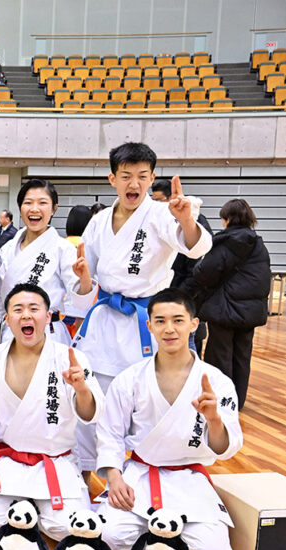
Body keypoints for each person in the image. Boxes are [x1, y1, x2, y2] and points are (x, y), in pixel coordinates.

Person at [70, 142, 212, 473]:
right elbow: (86, 282)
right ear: (112, 179)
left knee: (146, 404)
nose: (134, 184)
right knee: (91, 400)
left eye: (142, 176)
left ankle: (143, 478)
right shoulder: (99, 222)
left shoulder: (162, 215)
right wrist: (83, 279)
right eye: (126, 176)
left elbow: (194, 247)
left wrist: (186, 221)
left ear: (152, 178)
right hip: (104, 322)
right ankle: (85, 476)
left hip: (145, 325)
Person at [96, 288, 242, 550]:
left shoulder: (217, 381)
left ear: (194, 324)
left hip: (189, 480)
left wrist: (214, 419)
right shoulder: (130, 379)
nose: (169, 329)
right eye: (160, 321)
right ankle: (166, 544)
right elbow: (110, 432)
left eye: (178, 320)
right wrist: (114, 478)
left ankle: (152, 545)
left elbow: (226, 448)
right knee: (107, 539)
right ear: (149, 326)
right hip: (140, 477)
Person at [0, 284, 104, 539]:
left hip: (55, 463)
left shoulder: (70, 358)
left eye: (34, 309)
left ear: (48, 316)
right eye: (18, 310)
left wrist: (82, 389)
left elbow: (90, 415)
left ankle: (27, 512)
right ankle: (30, 512)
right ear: (7, 319)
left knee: (68, 529)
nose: (26, 316)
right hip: (9, 463)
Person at [181, 199, 271, 407]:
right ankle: (237, 401)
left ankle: (221, 400)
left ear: (227, 219)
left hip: (224, 309)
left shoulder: (228, 242)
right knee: (242, 356)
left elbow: (206, 272)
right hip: (250, 311)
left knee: (219, 355)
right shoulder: (258, 244)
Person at [0, 179, 94, 349]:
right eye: (28, 203)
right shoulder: (6, 250)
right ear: (20, 207)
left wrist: (84, 280)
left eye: (42, 203)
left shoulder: (63, 249)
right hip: (10, 333)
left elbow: (78, 305)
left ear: (54, 208)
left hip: (48, 334)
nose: (34, 209)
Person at [152, 177, 214, 354]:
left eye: (160, 201)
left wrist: (178, 296)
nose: (156, 206)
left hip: (186, 300)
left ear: (172, 198)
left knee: (187, 348)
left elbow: (198, 271)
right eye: (153, 201)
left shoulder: (193, 223)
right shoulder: (159, 222)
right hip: (165, 299)